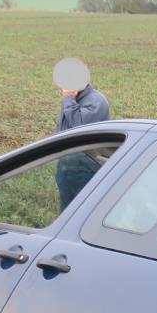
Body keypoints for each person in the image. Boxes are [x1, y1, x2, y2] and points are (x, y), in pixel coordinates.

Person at [52, 58, 111, 208]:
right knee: (66, 213)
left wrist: (69, 100)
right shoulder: (72, 100)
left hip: (86, 168)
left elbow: (80, 128)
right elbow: (62, 131)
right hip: (67, 168)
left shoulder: (96, 101)